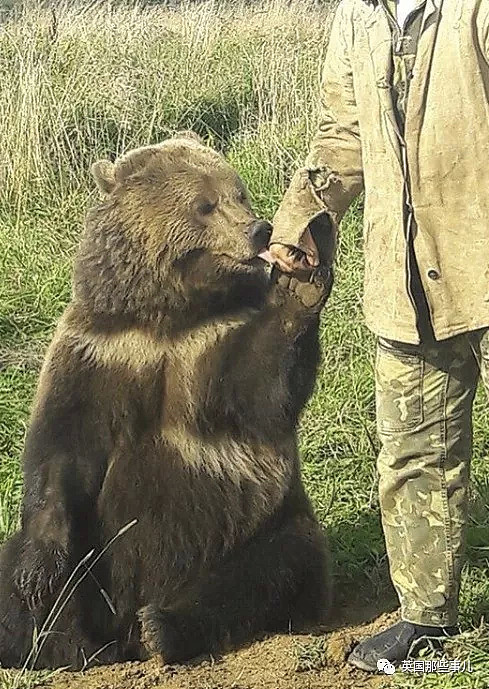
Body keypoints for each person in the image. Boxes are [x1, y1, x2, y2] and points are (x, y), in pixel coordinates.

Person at [269, 0, 489, 673]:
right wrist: (304, 212)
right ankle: (426, 617)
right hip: (404, 278)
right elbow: (343, 133)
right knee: (412, 453)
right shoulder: (357, 15)